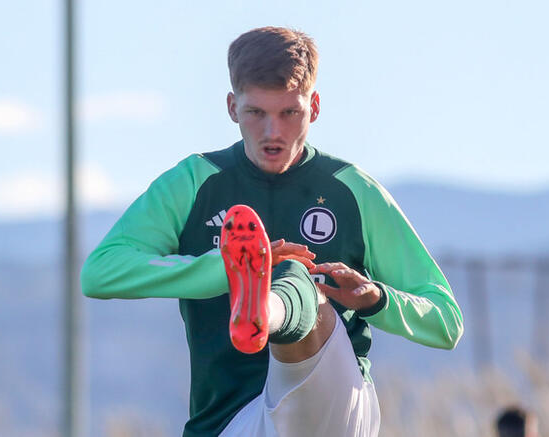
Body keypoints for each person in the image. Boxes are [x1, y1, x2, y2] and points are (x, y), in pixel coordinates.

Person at [81, 26, 463, 436]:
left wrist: (376, 298)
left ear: (314, 107)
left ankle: (266, 308)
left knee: (300, 282)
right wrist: (224, 269)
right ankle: (256, 283)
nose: (272, 133)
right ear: (232, 107)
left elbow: (445, 320)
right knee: (282, 274)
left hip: (331, 411)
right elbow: (100, 272)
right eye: (256, 113)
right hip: (228, 423)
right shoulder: (193, 182)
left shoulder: (353, 191)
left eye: (289, 113)